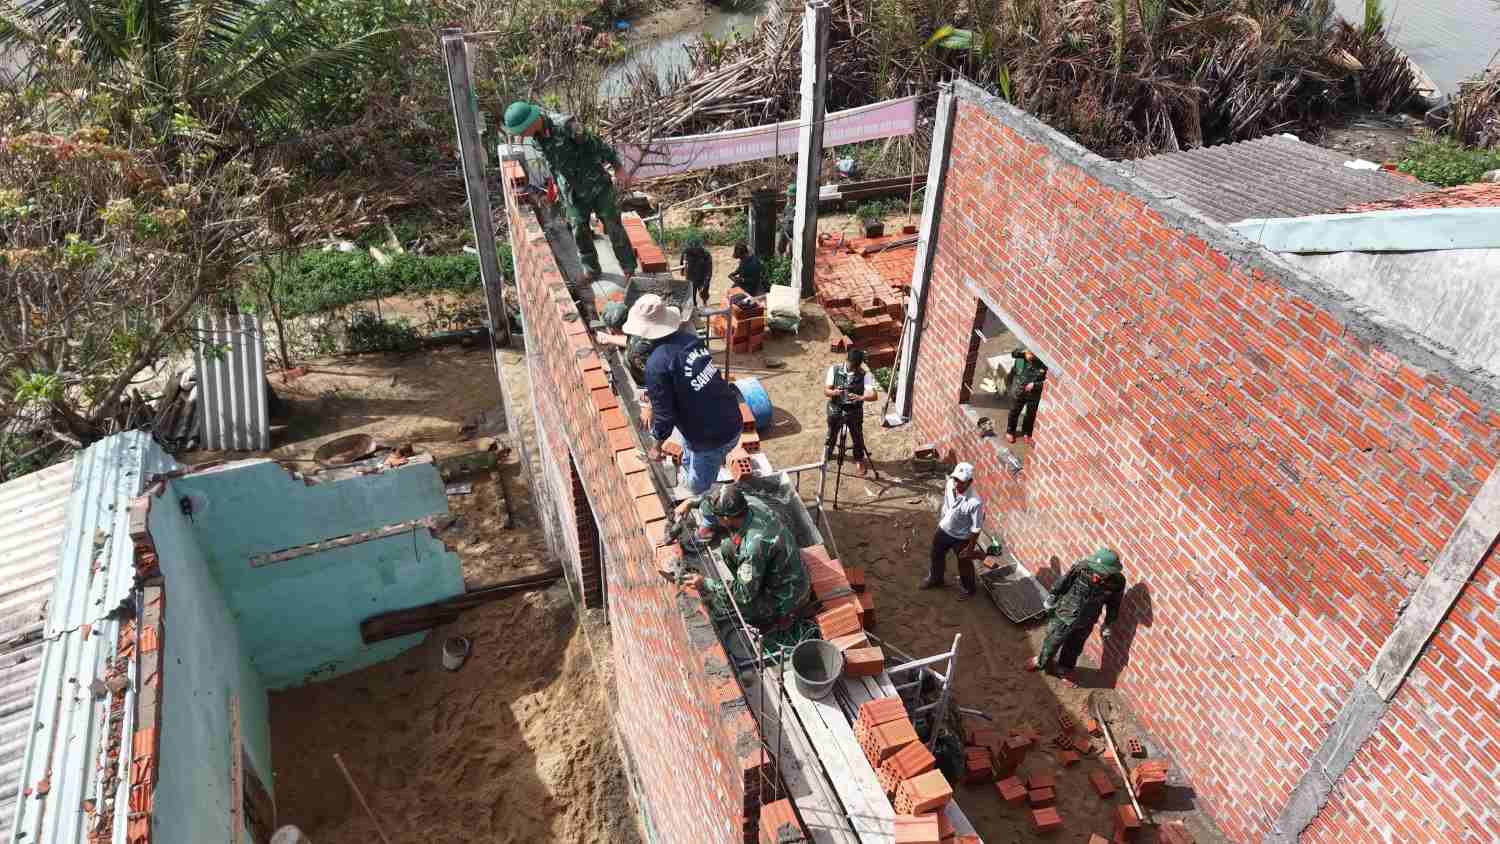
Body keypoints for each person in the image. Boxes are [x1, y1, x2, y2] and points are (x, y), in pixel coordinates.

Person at [503, 101, 637, 282]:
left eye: (521, 130)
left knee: (613, 226)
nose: (521, 135)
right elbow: (552, 160)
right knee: (579, 230)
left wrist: (619, 168)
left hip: (596, 184)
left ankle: (629, 270)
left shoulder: (565, 125)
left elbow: (597, 144)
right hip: (571, 190)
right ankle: (592, 270)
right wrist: (555, 184)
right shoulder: (537, 135)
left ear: (532, 121)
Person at [628, 294, 743, 496]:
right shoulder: (689, 339)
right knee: (692, 457)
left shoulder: (657, 365)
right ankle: (694, 467)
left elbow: (665, 417)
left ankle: (709, 514)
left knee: (699, 488)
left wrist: (656, 446)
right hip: (730, 417)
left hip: (711, 437)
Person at [682, 484, 810, 630]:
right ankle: (749, 581)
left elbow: (743, 594)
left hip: (787, 593)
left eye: (715, 516)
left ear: (725, 518)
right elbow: (718, 494)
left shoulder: (753, 547)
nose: (713, 519)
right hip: (777, 569)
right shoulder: (747, 503)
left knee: (725, 604)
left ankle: (778, 617)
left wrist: (706, 583)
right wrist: (691, 502)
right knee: (727, 546)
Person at [1028, 549, 1126, 683]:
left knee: (1074, 647)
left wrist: (1108, 623)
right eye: (1095, 568)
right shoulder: (1082, 568)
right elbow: (1064, 581)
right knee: (1053, 640)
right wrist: (1052, 596)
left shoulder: (1117, 582)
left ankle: (1064, 669)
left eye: (1102, 571)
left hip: (1088, 619)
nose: (1097, 573)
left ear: (1111, 571)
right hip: (1066, 613)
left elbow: (1114, 604)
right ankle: (1041, 662)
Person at [921, 462, 983, 599]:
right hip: (944, 529)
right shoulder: (950, 485)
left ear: (970, 482)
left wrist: (970, 548)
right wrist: (941, 523)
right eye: (955, 479)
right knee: (936, 555)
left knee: (964, 563)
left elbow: (976, 528)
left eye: (961, 481)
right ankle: (936, 579)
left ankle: (969, 589)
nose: (957, 484)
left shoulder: (975, 502)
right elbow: (947, 506)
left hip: (962, 538)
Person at [824, 348, 878, 476]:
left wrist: (862, 397)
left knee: (857, 436)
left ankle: (859, 459)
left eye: (856, 367)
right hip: (836, 407)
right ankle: (828, 453)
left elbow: (874, 396)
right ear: (846, 360)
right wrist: (834, 392)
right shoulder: (835, 370)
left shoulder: (865, 375)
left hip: (854, 409)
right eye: (851, 366)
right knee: (832, 432)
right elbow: (826, 391)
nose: (853, 369)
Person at [595, 301, 658, 383]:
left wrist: (608, 338)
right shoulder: (643, 320)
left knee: (626, 359)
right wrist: (609, 338)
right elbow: (629, 340)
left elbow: (631, 342)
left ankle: (642, 384)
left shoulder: (634, 350)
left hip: (660, 377)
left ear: (615, 329)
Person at [1006, 345, 1047, 443]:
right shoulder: (1024, 355)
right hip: (1020, 389)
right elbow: (1014, 354)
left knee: (1030, 415)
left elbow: (1048, 382)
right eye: (1030, 353)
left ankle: (1027, 433)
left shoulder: (1044, 363)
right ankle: (1010, 431)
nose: (1030, 356)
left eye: (1033, 354)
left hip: (1034, 394)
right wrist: (1024, 351)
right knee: (1014, 411)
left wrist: (1035, 385)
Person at [679, 236, 713, 306]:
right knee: (692, 296)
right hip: (691, 278)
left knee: (704, 294)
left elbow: (709, 270)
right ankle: (694, 307)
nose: (694, 251)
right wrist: (682, 271)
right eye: (692, 249)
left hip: (702, 278)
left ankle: (705, 303)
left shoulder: (706, 254)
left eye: (696, 249)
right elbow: (682, 263)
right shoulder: (686, 253)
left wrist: (705, 283)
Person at [777, 185, 796, 256]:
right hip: (785, 230)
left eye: (790, 196)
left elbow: (792, 219)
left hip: (793, 233)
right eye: (788, 196)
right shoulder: (788, 205)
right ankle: (781, 257)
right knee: (780, 247)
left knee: (793, 251)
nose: (788, 198)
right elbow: (784, 215)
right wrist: (781, 220)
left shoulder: (798, 207)